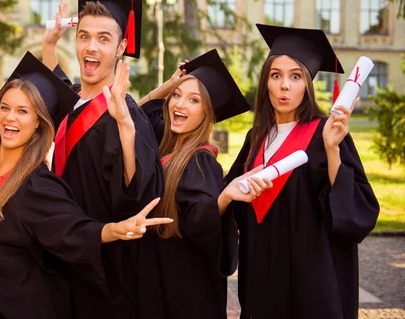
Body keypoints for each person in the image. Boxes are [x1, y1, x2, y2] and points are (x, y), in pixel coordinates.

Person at [0, 52, 172, 319]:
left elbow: (75, 230)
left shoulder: (39, 187)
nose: (10, 118)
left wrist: (115, 230)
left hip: (12, 307)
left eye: (22, 111)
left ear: (38, 122)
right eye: (4, 108)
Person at [224, 24, 380, 319]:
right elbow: (233, 204)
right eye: (276, 75)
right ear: (265, 83)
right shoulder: (256, 137)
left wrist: (333, 150)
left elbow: (355, 212)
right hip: (262, 275)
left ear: (307, 84)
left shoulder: (327, 133)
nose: (285, 85)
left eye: (295, 76)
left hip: (312, 278)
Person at [41, 0, 164, 318]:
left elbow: (140, 189)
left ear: (121, 47)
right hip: (63, 249)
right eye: (84, 37)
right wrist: (50, 44)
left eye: (104, 39)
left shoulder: (127, 114)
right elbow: (57, 83)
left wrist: (124, 125)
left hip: (105, 267)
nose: (91, 47)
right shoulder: (73, 99)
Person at [138, 49, 271, 319]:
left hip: (185, 292)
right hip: (158, 279)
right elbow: (140, 117)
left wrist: (222, 200)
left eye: (193, 100)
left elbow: (199, 220)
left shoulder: (201, 161)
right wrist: (166, 87)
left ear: (207, 114)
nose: (179, 105)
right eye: (177, 96)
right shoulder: (166, 148)